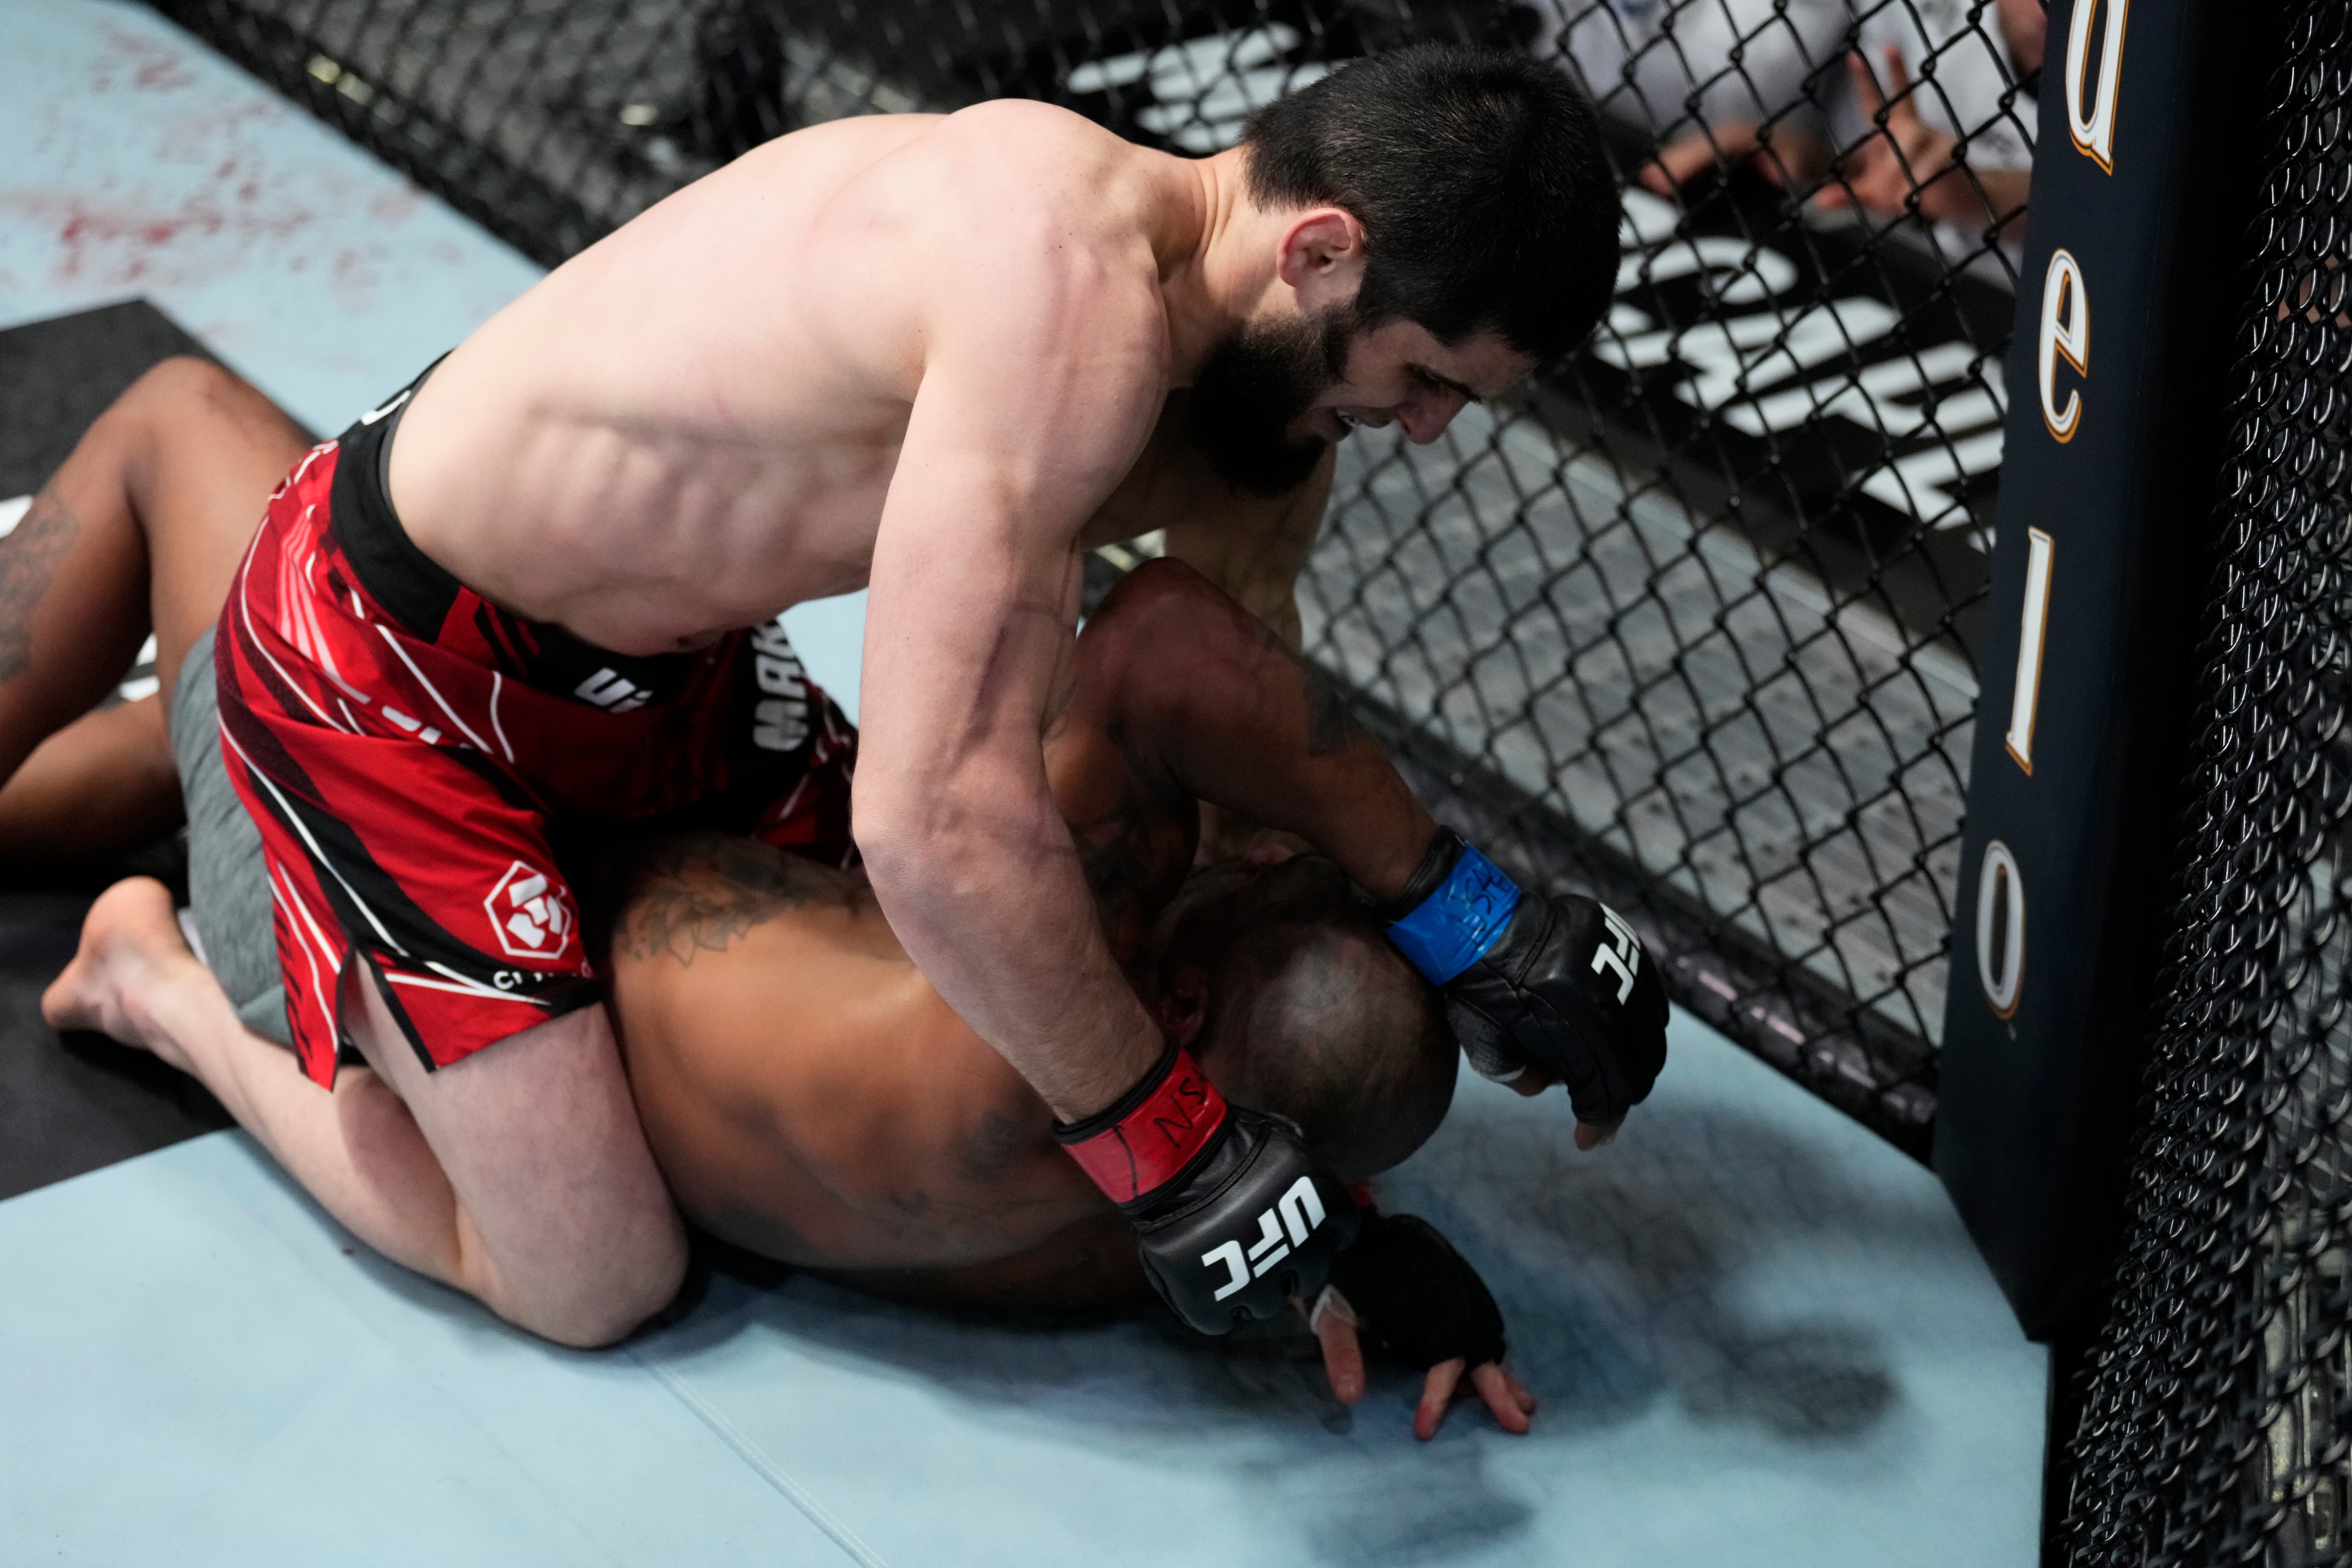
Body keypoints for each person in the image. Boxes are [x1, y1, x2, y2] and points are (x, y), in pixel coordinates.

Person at [5, 43, 1660, 1342]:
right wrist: (1183, 1157)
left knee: (892, 992)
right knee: (591, 1277)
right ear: (1322, 247)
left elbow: (1202, 805)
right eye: (1430, 379)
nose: (1430, 428)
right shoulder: (1061, 294)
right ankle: (153, 981)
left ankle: (208, 775)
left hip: (669, 672)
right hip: (397, 667)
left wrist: (1452, 960)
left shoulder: (1246, 386)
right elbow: (939, 826)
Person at [32, 365, 1548, 1437]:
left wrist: (1462, 901)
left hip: (425, 853)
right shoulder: (1162, 1240)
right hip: (592, 784)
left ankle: (147, 979)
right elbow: (1282, 1089)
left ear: (1188, 1002)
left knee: (194, 436)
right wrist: (1356, 1246)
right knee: (241, 686)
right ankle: (182, 744)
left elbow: (1160, 648)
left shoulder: (1026, 1038)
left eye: (1259, 884)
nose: (1260, 855)